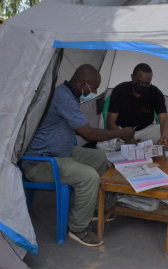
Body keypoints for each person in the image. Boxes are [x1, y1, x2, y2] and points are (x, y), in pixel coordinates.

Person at [22, 64, 134, 247]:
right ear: (82, 83)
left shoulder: (67, 94)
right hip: (40, 161)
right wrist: (120, 133)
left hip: (61, 152)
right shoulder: (63, 98)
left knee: (99, 158)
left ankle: (95, 207)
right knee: (88, 177)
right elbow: (88, 134)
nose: (95, 91)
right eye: (94, 87)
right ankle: (78, 228)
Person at [104, 63, 168, 148]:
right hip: (121, 131)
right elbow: (110, 122)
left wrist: (164, 137)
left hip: (146, 130)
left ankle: (164, 160)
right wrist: (125, 136)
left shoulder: (155, 93)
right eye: (139, 83)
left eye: (147, 84)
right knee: (102, 146)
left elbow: (164, 120)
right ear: (132, 77)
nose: (143, 86)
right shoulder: (120, 90)